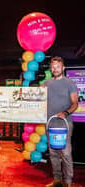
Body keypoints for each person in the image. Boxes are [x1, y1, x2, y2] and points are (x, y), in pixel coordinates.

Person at [44, 57, 78, 187]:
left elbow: (75, 103)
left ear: (63, 68)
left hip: (65, 123)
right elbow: (35, 97)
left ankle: (68, 182)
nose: (55, 69)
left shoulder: (69, 83)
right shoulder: (46, 83)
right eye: (53, 67)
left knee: (65, 153)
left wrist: (65, 113)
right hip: (50, 123)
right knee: (53, 153)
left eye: (57, 67)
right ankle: (57, 180)